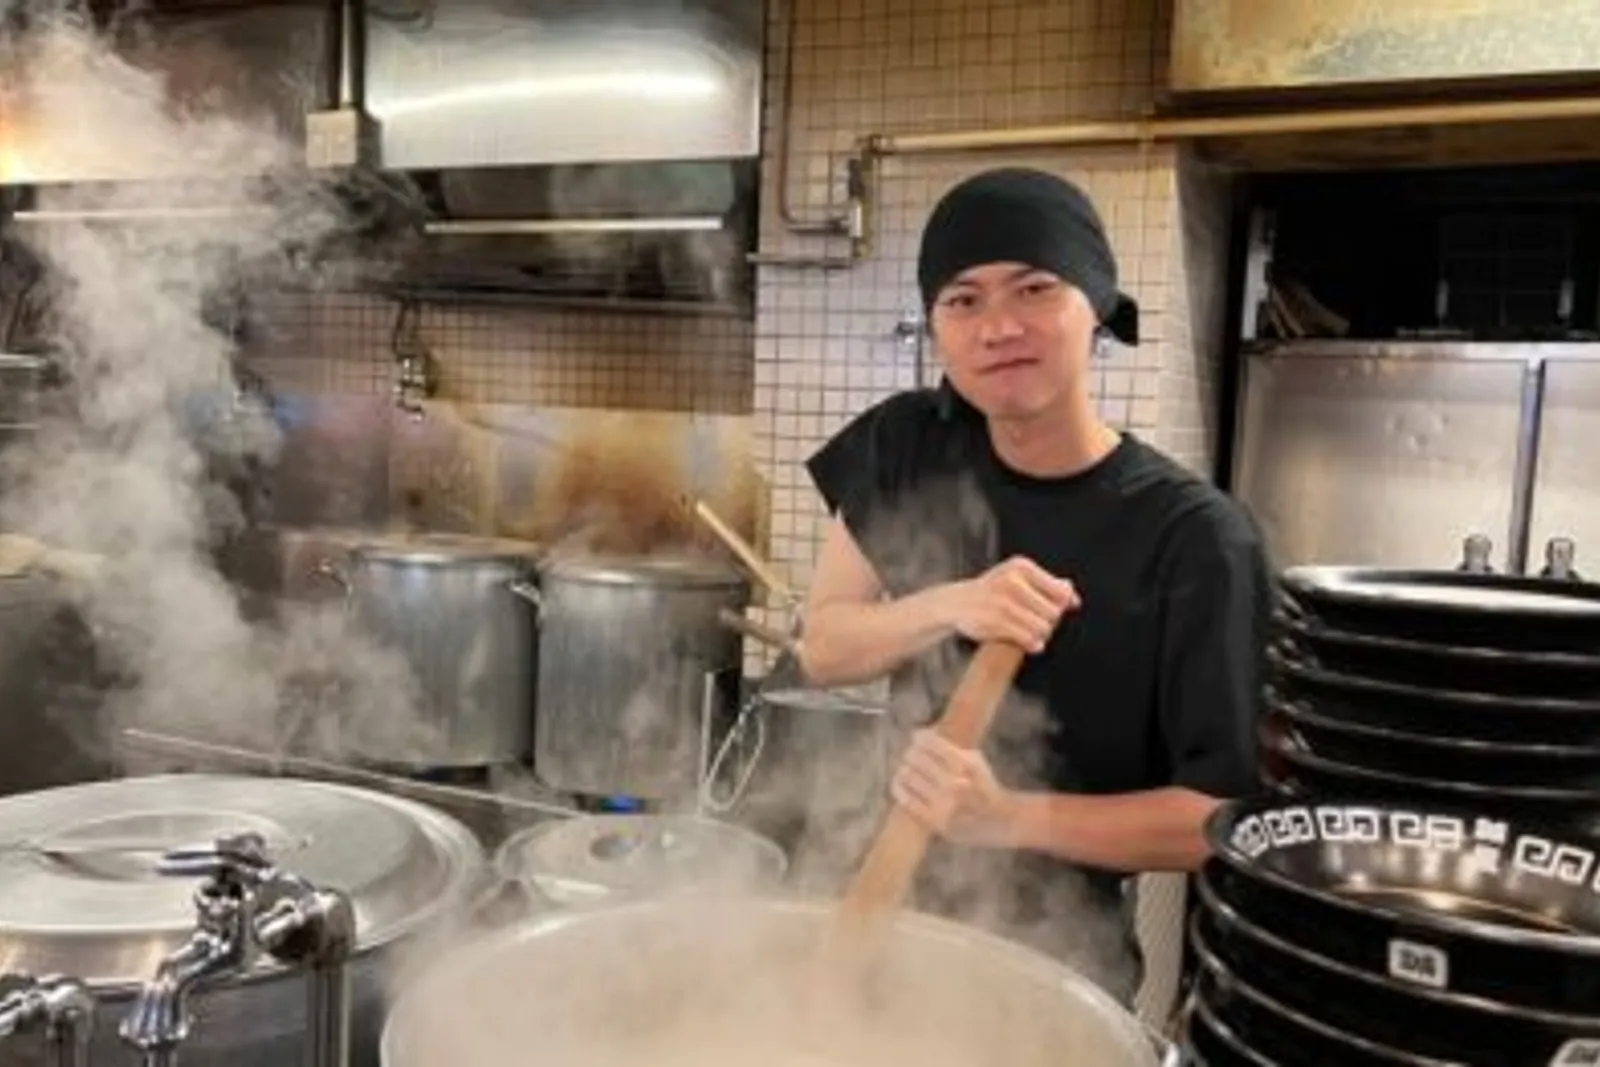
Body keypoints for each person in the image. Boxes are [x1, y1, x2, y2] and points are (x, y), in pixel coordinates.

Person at [799, 166, 1271, 1006]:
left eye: (1035, 287)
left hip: (1056, 964)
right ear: (936, 325)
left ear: (1096, 305)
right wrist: (954, 602)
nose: (999, 326)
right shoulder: (910, 444)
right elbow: (825, 647)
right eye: (963, 299)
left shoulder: (1196, 540)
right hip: (877, 926)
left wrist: (1006, 815)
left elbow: (1218, 819)